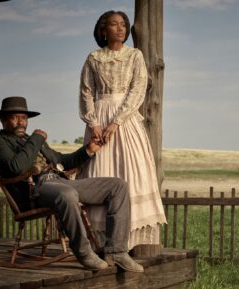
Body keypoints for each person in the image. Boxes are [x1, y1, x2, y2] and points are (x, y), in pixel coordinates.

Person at [0, 96, 143, 272]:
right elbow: (16, 168)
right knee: (67, 195)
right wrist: (36, 139)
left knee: (117, 186)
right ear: (2, 120)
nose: (21, 122)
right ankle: (84, 253)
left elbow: (62, 160)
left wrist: (88, 150)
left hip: (59, 181)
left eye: (24, 118)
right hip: (35, 190)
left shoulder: (31, 139)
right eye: (15, 118)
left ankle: (117, 251)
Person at [78, 10, 167, 250]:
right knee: (99, 171)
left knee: (131, 170)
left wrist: (117, 121)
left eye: (123, 25)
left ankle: (127, 241)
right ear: (103, 30)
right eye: (114, 24)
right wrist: (93, 122)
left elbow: (138, 88)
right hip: (99, 117)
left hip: (125, 120)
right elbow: (86, 91)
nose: (120, 28)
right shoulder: (94, 57)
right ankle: (97, 239)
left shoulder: (134, 55)